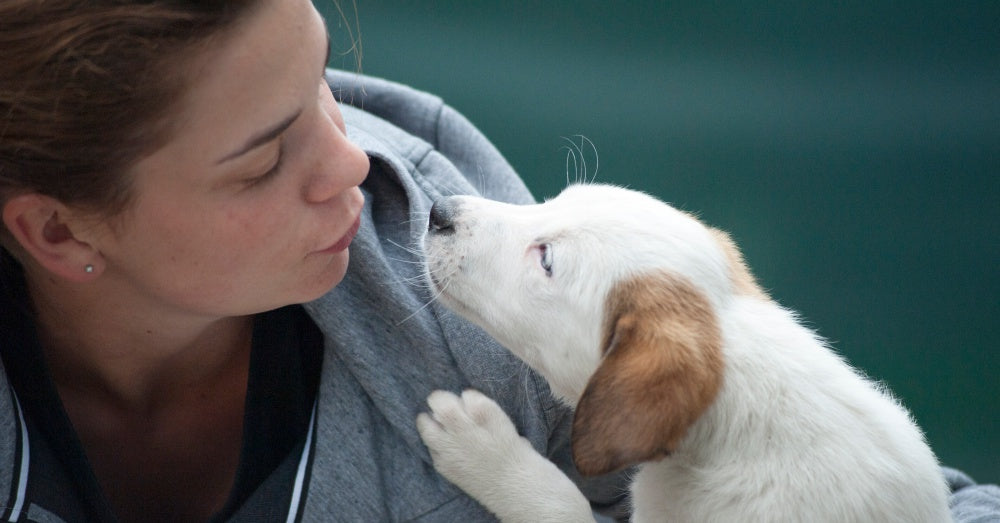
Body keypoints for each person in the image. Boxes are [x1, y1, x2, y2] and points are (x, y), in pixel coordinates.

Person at [0, 1, 996, 522]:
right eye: (265, 157)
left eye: (320, 84)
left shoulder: (478, 336)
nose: (353, 158)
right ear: (57, 232)